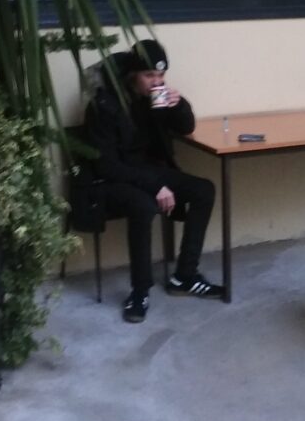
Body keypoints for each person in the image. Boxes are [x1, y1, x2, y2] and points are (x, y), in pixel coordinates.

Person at [84, 39, 222, 323]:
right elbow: (106, 165)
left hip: (148, 172)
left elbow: (186, 127)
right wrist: (154, 186)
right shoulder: (104, 104)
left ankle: (185, 276)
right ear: (132, 75)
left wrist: (178, 105)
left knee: (203, 190)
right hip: (112, 179)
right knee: (144, 206)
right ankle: (140, 292)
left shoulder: (155, 99)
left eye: (160, 75)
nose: (156, 82)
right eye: (149, 75)